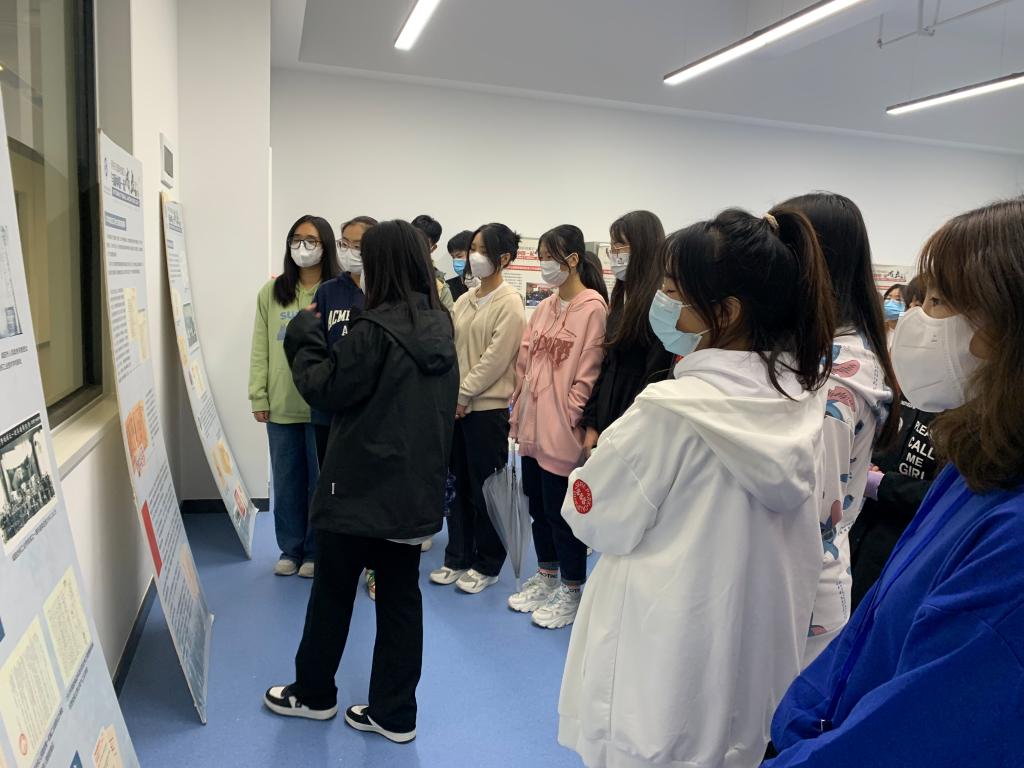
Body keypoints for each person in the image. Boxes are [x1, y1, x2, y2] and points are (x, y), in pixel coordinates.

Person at [558, 208, 836, 768]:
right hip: (749, 670)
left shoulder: (670, 412)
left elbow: (595, 517)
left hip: (662, 660)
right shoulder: (803, 400)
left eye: (671, 291)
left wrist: (588, 474)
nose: (661, 301)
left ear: (726, 312)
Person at [765, 197, 1024, 767]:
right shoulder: (977, 466)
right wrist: (795, 723)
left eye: (940, 301)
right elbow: (871, 632)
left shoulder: (1012, 539)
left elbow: (911, 732)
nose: (917, 320)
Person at [264, 220, 458, 743]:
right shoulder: (440, 326)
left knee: (332, 590)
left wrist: (304, 335)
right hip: (412, 491)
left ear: (383, 265)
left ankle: (313, 694)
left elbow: (325, 388)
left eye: (365, 258)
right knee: (400, 597)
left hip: (358, 487)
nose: (358, 267)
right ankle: (395, 714)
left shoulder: (374, 332)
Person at [783, 193, 897, 665]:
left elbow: (812, 509)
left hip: (802, 591)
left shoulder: (840, 374)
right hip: (791, 581)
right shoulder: (811, 350)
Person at [508, 226, 608, 629]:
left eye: (551, 257)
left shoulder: (593, 308)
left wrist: (569, 418)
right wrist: (517, 415)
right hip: (531, 429)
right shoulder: (545, 307)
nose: (544, 264)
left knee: (562, 516)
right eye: (541, 256)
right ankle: (547, 575)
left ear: (573, 260)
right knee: (537, 509)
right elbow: (524, 365)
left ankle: (571, 588)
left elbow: (588, 374)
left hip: (562, 433)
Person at [429, 223, 526, 594]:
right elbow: (452, 349)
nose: (474, 256)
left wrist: (463, 395)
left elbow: (495, 360)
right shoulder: (466, 299)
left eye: (483, 250)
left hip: (486, 410)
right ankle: (457, 556)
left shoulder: (510, 302)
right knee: (456, 487)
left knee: (485, 490)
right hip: (455, 407)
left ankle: (487, 564)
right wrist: (451, 395)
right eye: (473, 248)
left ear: (504, 258)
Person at [249, 215, 339, 578]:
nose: (303, 247)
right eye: (297, 239)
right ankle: (290, 548)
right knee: (287, 483)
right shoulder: (271, 292)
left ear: (326, 245)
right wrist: (258, 395)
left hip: (324, 407)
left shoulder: (336, 292)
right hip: (282, 404)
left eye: (311, 240)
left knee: (321, 484)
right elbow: (260, 347)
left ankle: (316, 551)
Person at [581, 210, 673, 458]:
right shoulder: (621, 295)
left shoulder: (661, 302)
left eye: (620, 245)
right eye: (612, 247)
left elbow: (655, 379)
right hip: (607, 408)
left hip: (634, 415)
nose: (614, 254)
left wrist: (621, 433)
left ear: (643, 247)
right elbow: (607, 362)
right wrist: (592, 423)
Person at [411, 214, 454, 310]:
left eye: (422, 243)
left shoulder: (439, 288)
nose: (414, 247)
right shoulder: (390, 273)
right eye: (412, 240)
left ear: (433, 248)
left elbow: (448, 318)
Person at [446, 230, 473, 302]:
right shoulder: (448, 287)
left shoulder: (489, 284)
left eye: (459, 256)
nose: (456, 261)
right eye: (453, 257)